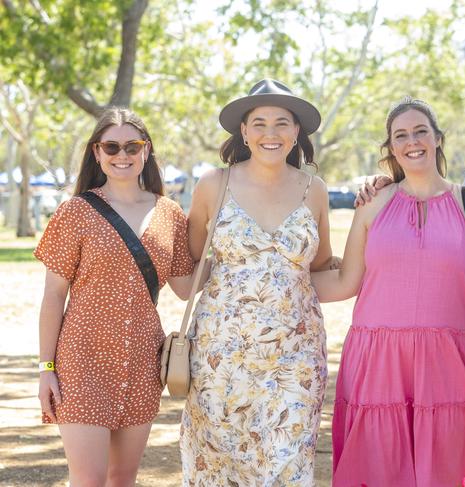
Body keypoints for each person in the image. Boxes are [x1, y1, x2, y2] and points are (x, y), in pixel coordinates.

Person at [311, 97, 465, 487]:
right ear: (391, 148)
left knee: (445, 469)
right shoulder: (373, 203)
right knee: (382, 468)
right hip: (378, 360)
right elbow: (347, 281)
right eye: (400, 135)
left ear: (438, 139)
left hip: (447, 360)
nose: (412, 141)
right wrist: (268, 278)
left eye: (421, 131)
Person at [35, 107, 203, 486]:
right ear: (97, 153)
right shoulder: (75, 212)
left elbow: (183, 285)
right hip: (82, 360)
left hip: (143, 357)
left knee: (123, 477)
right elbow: (52, 297)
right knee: (89, 479)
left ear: (147, 151)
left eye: (132, 145)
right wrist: (46, 369)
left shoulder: (170, 213)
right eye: (111, 146)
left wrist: (231, 252)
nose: (122, 155)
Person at [180, 79, 334, 486]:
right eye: (259, 123)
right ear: (244, 132)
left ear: (296, 131)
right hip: (220, 355)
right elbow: (191, 260)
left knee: (286, 464)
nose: (271, 133)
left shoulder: (313, 189)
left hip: (295, 355)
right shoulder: (215, 183)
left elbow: (318, 266)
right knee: (220, 467)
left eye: (282, 123)